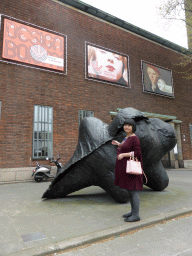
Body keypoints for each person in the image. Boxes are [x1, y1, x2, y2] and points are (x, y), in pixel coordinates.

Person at [112, 118, 143, 222]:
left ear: (133, 127)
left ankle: (136, 215)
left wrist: (123, 154)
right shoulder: (127, 137)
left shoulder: (135, 138)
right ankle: (133, 212)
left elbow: (137, 153)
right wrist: (118, 144)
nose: (127, 127)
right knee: (130, 190)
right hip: (125, 168)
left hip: (131, 169)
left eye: (129, 125)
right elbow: (126, 147)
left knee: (133, 190)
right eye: (125, 125)